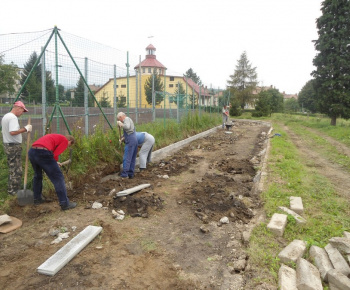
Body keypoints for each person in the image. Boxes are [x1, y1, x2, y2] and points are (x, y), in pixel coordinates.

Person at [28, 134, 76, 210]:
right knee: (58, 177)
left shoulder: (55, 137)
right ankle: (65, 203)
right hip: (43, 153)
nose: (67, 147)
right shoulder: (64, 140)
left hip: (32, 152)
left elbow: (49, 152)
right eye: (69, 145)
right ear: (70, 141)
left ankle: (37, 199)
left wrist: (54, 162)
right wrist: (55, 162)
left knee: (38, 176)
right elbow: (55, 154)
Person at [1, 101, 32, 196]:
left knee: (12, 168)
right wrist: (26, 129)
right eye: (22, 111)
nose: (22, 113)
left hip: (8, 145)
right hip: (13, 146)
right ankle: (14, 193)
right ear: (18, 108)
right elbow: (13, 132)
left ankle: (11, 191)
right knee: (16, 170)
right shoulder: (13, 118)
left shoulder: (6, 116)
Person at [117, 112, 138, 179]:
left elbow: (127, 127)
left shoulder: (126, 119)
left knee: (127, 158)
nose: (120, 121)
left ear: (121, 117)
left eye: (119, 119)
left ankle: (124, 174)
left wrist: (121, 124)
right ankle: (130, 174)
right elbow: (129, 131)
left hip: (130, 141)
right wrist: (122, 138)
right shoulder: (129, 120)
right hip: (134, 140)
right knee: (132, 158)